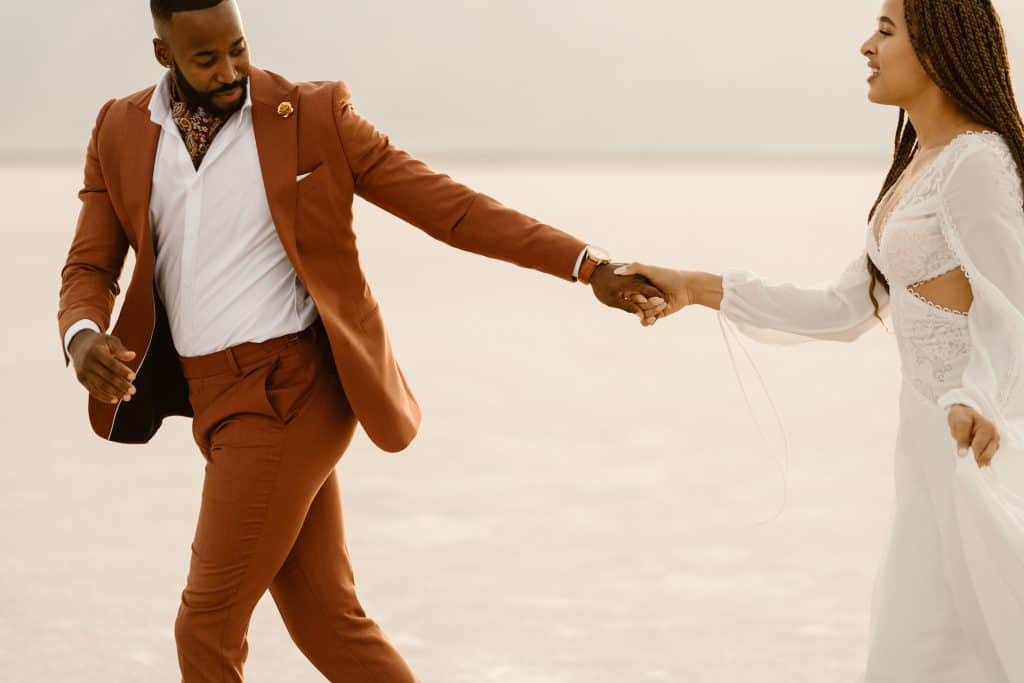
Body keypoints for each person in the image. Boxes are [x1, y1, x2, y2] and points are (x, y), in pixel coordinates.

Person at [56, 0, 668, 680]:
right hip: (214, 401)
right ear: (163, 54)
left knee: (205, 626)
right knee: (328, 621)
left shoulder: (312, 117)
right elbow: (90, 264)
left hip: (288, 392)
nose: (231, 70)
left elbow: (450, 209)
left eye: (239, 47)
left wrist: (589, 265)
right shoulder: (120, 129)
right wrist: (82, 337)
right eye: (206, 58)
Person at [616, 0, 1024, 679]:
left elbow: (1013, 311)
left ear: (938, 47)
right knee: (913, 656)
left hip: (977, 461)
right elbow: (844, 306)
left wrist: (977, 398)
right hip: (925, 464)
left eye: (886, 32)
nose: (867, 47)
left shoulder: (977, 166)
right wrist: (696, 285)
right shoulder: (919, 168)